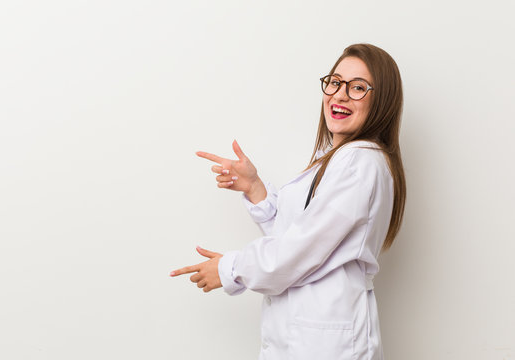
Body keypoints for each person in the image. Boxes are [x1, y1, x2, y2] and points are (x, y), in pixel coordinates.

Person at [170, 43, 406, 360]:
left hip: (326, 343)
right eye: (335, 82)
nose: (339, 95)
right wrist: (255, 188)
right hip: (308, 337)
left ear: (382, 101)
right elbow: (300, 233)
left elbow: (298, 251)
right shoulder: (337, 159)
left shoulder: (358, 162)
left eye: (358, 88)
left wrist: (229, 269)